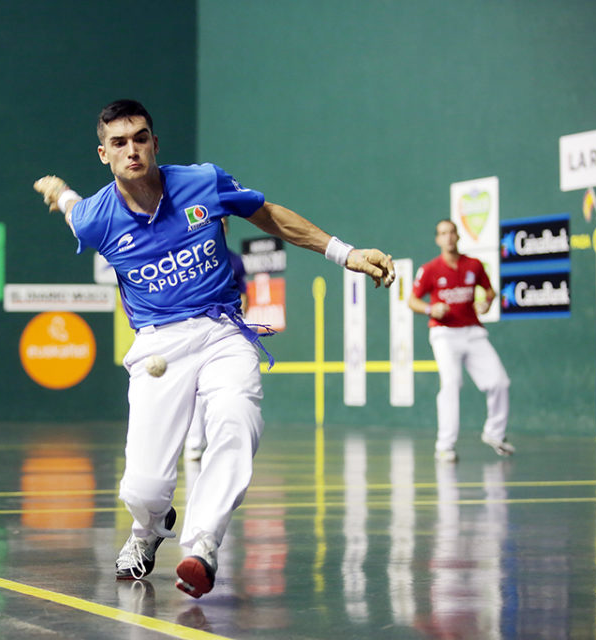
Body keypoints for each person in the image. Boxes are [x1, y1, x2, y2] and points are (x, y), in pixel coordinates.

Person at [34, 99, 395, 598]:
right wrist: (63, 193)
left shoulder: (203, 181)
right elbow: (75, 216)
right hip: (158, 344)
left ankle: (202, 546)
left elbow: (267, 214)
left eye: (140, 138)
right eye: (119, 143)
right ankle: (148, 529)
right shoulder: (96, 217)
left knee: (236, 419)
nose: (132, 149)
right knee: (141, 489)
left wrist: (345, 252)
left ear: (155, 143)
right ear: (104, 154)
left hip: (223, 328)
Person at [408, 219, 513, 463]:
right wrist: (430, 309)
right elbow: (412, 301)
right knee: (452, 383)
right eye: (443, 233)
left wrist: (486, 302)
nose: (448, 237)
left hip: (473, 332)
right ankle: (445, 446)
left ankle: (495, 433)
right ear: (438, 239)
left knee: (499, 382)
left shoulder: (474, 265)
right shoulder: (430, 269)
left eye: (452, 232)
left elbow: (490, 292)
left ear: (458, 236)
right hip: (444, 334)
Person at [183, 218, 247, 463]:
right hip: (191, 328)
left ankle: (220, 443)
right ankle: (194, 444)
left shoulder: (235, 261)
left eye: (223, 222)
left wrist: (240, 326)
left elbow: (243, 295)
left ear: (227, 228)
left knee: (225, 390)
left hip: (226, 330)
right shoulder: (190, 255)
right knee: (194, 390)